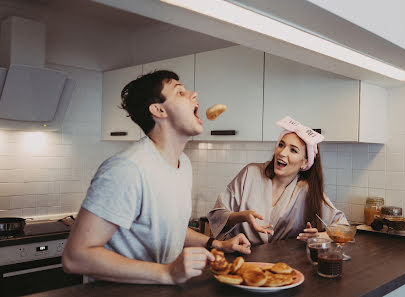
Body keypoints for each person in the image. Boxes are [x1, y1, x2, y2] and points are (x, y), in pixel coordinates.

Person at [62, 70, 251, 285]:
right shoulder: (127, 169)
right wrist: (167, 272)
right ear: (159, 110)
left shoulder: (183, 165)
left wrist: (217, 245)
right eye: (180, 92)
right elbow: (75, 257)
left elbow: (170, 229)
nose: (194, 94)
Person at [208, 116, 348, 246]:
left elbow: (344, 229)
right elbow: (217, 215)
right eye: (281, 145)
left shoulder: (306, 191)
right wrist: (241, 216)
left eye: (293, 150)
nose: (282, 153)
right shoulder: (250, 173)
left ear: (305, 163)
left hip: (281, 265)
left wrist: (319, 237)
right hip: (241, 258)